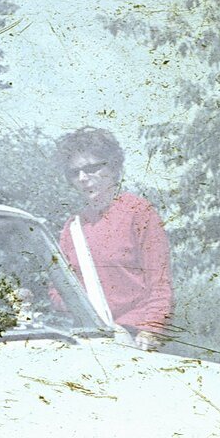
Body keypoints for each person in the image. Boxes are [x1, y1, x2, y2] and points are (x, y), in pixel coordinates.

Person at [55, 127, 173, 350]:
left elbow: (159, 283)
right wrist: (78, 307)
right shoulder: (73, 227)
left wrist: (151, 330)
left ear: (113, 167)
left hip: (135, 338)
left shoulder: (139, 212)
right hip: (90, 338)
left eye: (91, 168)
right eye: (74, 172)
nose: (83, 178)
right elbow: (58, 288)